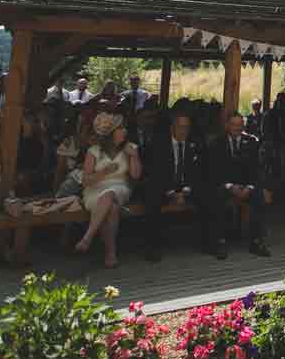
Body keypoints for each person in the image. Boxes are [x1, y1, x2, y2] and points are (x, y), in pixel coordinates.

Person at [142, 110, 213, 262]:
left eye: (187, 127)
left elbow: (199, 173)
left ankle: (210, 243)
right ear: (172, 128)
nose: (184, 131)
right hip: (165, 187)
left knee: (209, 195)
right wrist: (172, 193)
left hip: (187, 187)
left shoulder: (195, 144)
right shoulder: (159, 144)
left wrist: (186, 191)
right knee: (151, 197)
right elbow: (156, 173)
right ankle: (152, 247)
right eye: (181, 127)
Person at [76, 112, 141, 268]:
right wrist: (104, 172)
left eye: (124, 128)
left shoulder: (131, 148)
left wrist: (134, 157)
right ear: (111, 132)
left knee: (110, 194)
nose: (125, 131)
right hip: (94, 189)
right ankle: (110, 253)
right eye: (121, 128)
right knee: (111, 208)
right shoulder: (94, 151)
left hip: (120, 187)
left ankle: (88, 236)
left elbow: (135, 175)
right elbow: (85, 181)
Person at [209, 112, 271, 257]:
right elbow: (213, 170)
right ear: (227, 126)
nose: (237, 128)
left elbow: (256, 168)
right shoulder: (217, 143)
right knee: (216, 196)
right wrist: (230, 186)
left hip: (246, 185)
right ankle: (220, 242)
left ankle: (256, 241)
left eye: (239, 125)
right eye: (233, 125)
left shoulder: (251, 142)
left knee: (259, 196)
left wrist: (249, 187)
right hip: (225, 185)